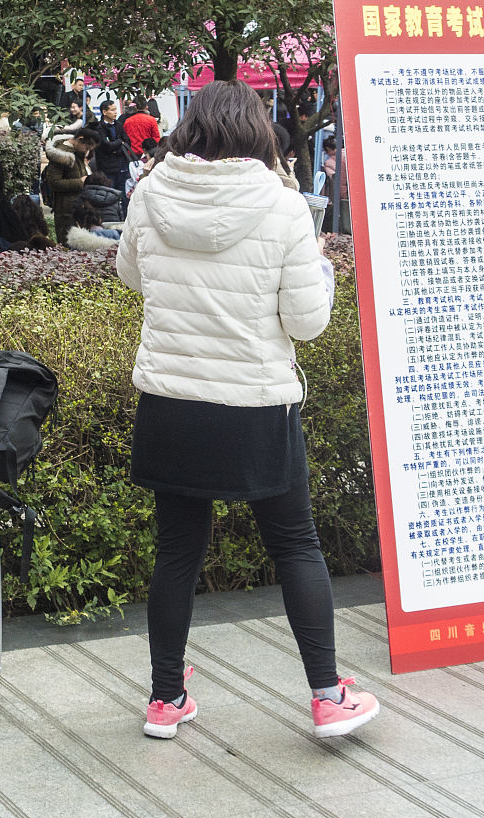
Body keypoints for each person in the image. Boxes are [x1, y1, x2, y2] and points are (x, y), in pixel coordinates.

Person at [115, 79, 379, 742]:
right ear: (257, 133)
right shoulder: (284, 206)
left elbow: (130, 276)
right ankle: (328, 697)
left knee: (176, 550)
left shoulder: (150, 193)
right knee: (295, 544)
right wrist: (322, 271)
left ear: (191, 130)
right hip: (256, 406)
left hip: (171, 401)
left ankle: (165, 699)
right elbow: (307, 322)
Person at [45, 127, 99, 243]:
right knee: (67, 242)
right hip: (65, 209)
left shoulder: (77, 152)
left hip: (79, 206)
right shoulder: (61, 155)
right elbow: (54, 182)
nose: (87, 151)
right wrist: (80, 182)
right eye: (87, 147)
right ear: (80, 139)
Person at [95, 99, 132, 192]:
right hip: (107, 168)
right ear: (104, 112)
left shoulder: (118, 124)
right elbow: (106, 146)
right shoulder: (99, 127)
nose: (115, 112)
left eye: (116, 109)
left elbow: (127, 142)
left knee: (123, 193)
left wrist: (116, 149)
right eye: (112, 110)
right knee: (110, 192)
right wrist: (119, 142)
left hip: (122, 165)